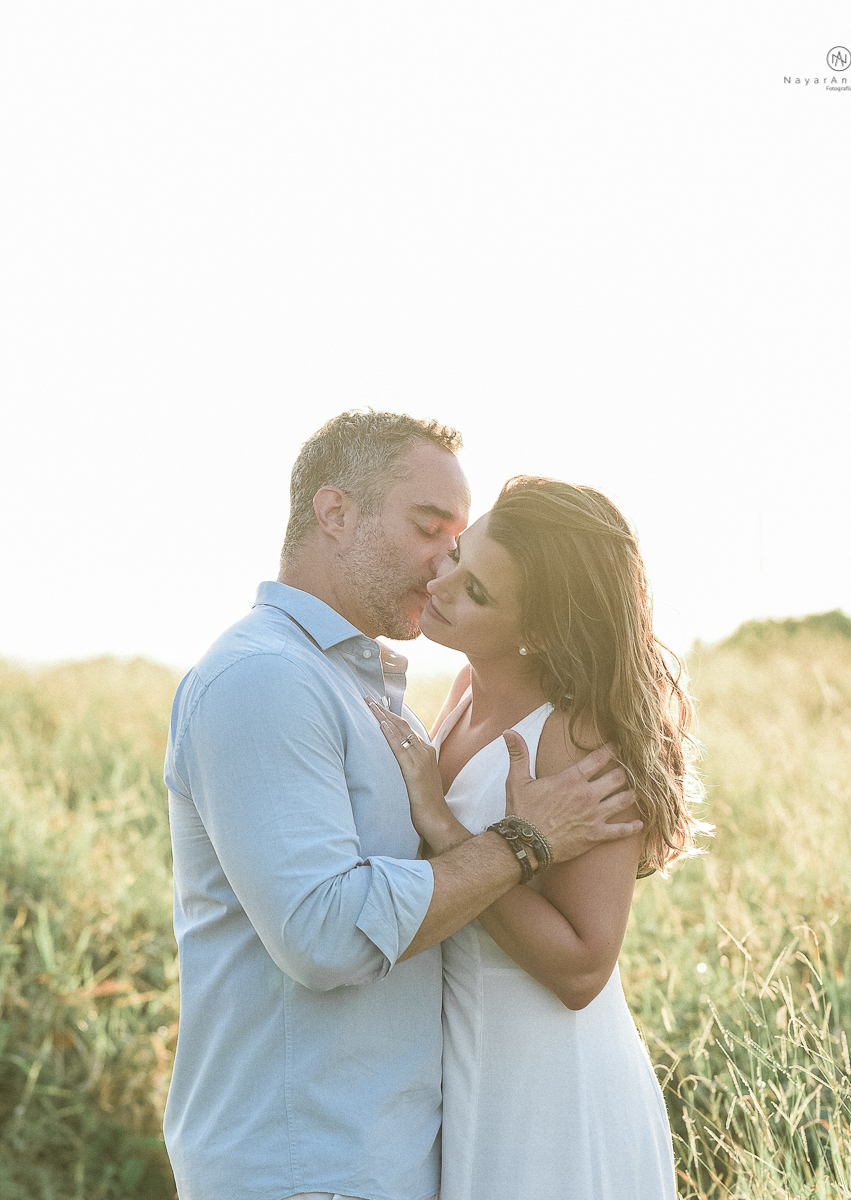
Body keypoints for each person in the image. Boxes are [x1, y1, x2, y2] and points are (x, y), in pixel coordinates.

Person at [163, 411, 644, 1200]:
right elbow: (324, 936)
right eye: (430, 531)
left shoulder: (366, 686)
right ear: (335, 513)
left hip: (398, 1147)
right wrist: (521, 844)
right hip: (304, 1162)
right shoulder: (264, 681)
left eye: (458, 547)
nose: (440, 568)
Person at [367, 475, 708, 1200]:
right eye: (457, 555)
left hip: (552, 1092)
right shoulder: (463, 690)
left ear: (542, 630)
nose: (443, 583)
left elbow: (584, 969)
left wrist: (443, 826)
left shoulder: (578, 735)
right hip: (467, 1068)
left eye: (478, 592)